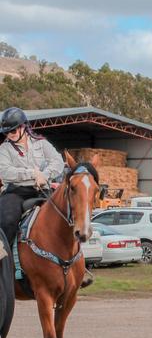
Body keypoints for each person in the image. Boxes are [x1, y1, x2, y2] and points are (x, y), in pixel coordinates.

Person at [0, 106, 94, 287]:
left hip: (43, 188)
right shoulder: (4, 149)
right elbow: (5, 172)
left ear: (22, 127)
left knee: (68, 215)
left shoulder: (41, 143)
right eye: (7, 132)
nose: (9, 134)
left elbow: (57, 162)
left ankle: (78, 266)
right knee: (6, 218)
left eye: (12, 130)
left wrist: (45, 175)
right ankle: (5, 265)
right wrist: (32, 174)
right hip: (17, 192)